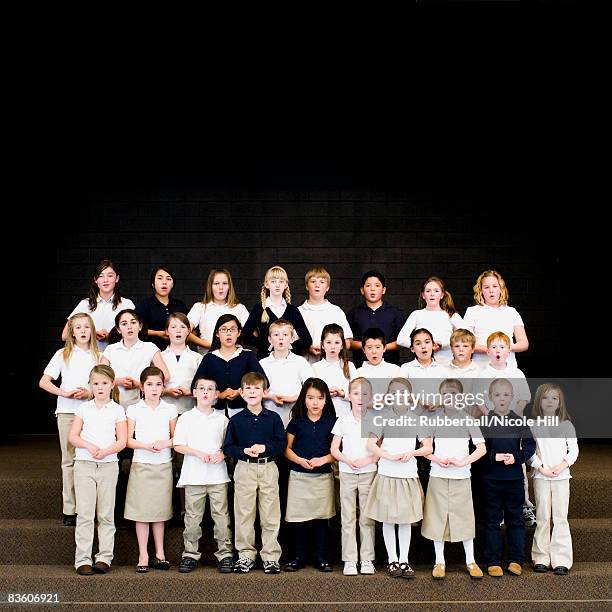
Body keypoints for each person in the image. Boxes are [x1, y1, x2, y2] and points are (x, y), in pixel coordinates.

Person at [364, 381, 433, 580]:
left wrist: (412, 452)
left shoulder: (416, 419)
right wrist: (386, 454)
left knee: (405, 519)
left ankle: (404, 559)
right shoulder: (382, 418)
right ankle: (392, 560)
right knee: (387, 518)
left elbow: (428, 447)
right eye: (394, 393)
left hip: (407, 474)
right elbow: (371, 444)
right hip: (387, 473)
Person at [39, 313, 101, 526]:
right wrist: (63, 393)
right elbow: (44, 382)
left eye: (86, 327)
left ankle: (89, 507)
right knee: (69, 460)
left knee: (90, 459)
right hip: (67, 411)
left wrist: (89, 394)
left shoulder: (99, 356)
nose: (83, 331)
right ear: (72, 332)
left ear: (92, 330)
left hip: (92, 413)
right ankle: (70, 509)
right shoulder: (62, 354)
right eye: (78, 327)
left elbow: (105, 386)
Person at [421, 379, 486, 579]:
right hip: (438, 475)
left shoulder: (468, 420)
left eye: (455, 395)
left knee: (465, 518)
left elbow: (481, 449)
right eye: (446, 395)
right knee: (437, 518)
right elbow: (426, 449)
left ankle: (470, 561)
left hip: (462, 476)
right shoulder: (433, 420)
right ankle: (439, 561)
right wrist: (437, 459)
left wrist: (463, 462)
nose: (451, 399)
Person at [222, 372, 286, 574]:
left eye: (257, 388)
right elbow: (228, 447)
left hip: (268, 467)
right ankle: (245, 555)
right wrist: (243, 451)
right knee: (244, 513)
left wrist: (265, 448)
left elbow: (281, 444)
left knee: (270, 514)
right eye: (248, 388)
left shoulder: (273, 418)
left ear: (264, 392)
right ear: (241, 392)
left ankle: (270, 556)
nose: (252, 391)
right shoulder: (236, 420)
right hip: (245, 467)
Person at [68, 364, 127, 575]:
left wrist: (107, 451)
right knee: (85, 514)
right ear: (90, 386)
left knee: (106, 514)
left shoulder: (118, 410)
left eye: (104, 383)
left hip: (108, 465)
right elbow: (73, 436)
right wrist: (89, 446)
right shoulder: (83, 408)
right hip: (84, 464)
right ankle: (82, 558)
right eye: (95, 384)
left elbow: (122, 440)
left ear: (112, 384)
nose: (100, 387)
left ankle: (104, 557)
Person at [174, 377, 234, 574]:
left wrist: (222, 454)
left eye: (210, 389)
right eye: (202, 388)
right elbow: (178, 445)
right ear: (194, 392)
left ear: (217, 395)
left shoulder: (222, 419)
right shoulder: (186, 418)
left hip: (217, 476)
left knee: (221, 516)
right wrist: (199, 453)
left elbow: (228, 445)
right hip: (194, 475)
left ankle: (225, 554)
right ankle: (190, 554)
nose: (206, 392)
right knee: (192, 517)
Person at [480, 378, 536, 577]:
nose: (502, 399)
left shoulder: (519, 421)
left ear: (512, 398)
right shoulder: (485, 422)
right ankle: (493, 561)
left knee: (515, 520)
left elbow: (530, 446)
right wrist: (494, 455)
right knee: (492, 521)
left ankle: (515, 560)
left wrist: (517, 457)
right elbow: (477, 449)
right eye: (497, 395)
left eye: (506, 395)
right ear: (490, 398)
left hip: (513, 480)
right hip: (491, 480)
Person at [124, 367, 177, 573]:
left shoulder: (170, 409)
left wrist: (164, 444)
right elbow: (128, 440)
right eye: (149, 385)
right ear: (142, 387)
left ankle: (160, 553)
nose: (154, 389)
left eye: (158, 384)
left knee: (159, 511)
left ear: (163, 387)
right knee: (141, 511)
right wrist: (145, 446)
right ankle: (143, 555)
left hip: (162, 464)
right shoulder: (134, 409)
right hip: (141, 464)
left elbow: (176, 437)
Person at [284, 378, 337, 572]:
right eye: (310, 398)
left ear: (326, 400)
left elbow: (338, 451)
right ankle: (297, 557)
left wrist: (323, 459)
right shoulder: (296, 421)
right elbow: (287, 449)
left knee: (322, 519)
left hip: (323, 476)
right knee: (298, 519)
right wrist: (298, 460)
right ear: (303, 399)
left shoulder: (332, 422)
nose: (315, 402)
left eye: (320, 398)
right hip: (299, 476)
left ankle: (321, 556)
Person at [330, 378, 379, 575]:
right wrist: (347, 460)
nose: (360, 398)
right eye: (356, 393)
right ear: (349, 396)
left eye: (365, 394)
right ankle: (350, 560)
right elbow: (334, 449)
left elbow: (377, 451)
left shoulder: (374, 420)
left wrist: (366, 462)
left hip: (368, 473)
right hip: (347, 473)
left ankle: (367, 559)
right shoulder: (342, 420)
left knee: (367, 518)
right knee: (348, 517)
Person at [530, 384, 579, 576]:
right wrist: (541, 467)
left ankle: (561, 559)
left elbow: (573, 449)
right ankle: (541, 557)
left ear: (560, 403)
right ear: (539, 402)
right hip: (541, 476)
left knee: (560, 517)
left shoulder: (566, 424)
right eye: (545, 398)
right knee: (542, 517)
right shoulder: (533, 425)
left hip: (561, 477)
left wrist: (562, 466)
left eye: (554, 399)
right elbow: (529, 451)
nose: (549, 402)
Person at [190, 314, 266, 417]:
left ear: (239, 333)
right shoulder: (209, 358)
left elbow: (264, 382)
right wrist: (219, 395)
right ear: (217, 333)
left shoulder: (248, 355)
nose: (228, 333)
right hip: (214, 413)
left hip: (245, 412)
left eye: (233, 329)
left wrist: (240, 391)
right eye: (224, 329)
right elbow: (195, 387)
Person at [101, 310, 169, 408]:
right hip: (114, 403)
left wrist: (140, 384)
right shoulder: (110, 349)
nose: (129, 327)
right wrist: (118, 381)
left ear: (140, 326)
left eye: (133, 322)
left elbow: (165, 375)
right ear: (118, 329)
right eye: (124, 324)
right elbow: (100, 375)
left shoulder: (150, 347)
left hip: (142, 403)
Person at [242, 265, 312, 359]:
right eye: (273, 281)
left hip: (288, 360)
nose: (277, 285)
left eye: (281, 281)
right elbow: (245, 335)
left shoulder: (293, 310)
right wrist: (265, 345)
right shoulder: (259, 308)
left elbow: (307, 339)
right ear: (267, 284)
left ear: (286, 285)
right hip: (265, 359)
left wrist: (289, 347)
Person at [62, 259, 135, 349]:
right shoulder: (84, 304)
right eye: (101, 276)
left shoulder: (127, 304)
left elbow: (136, 335)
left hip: (118, 358)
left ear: (117, 278)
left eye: (110, 276)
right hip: (90, 358)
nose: (105, 280)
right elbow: (65, 336)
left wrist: (111, 336)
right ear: (95, 280)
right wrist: (92, 333)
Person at [463, 270, 528, 367]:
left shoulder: (511, 312)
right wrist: (492, 350)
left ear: (501, 288)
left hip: (508, 368)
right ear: (481, 290)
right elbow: (467, 342)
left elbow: (524, 343)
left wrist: (506, 348)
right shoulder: (472, 311)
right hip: (481, 368)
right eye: (486, 287)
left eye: (495, 286)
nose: (491, 290)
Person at [397, 276, 464, 365]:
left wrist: (442, 343)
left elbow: (466, 336)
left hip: (447, 364)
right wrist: (423, 345)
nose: (432, 294)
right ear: (423, 295)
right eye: (428, 291)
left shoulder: (451, 315)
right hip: (422, 365)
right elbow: (401, 339)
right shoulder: (416, 314)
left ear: (442, 295)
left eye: (436, 291)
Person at [260, 319, 314, 427]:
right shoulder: (262, 363)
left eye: (285, 334)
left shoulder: (300, 362)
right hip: (269, 415)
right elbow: (255, 390)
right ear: (270, 339)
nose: (281, 338)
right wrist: (271, 397)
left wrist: (294, 398)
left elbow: (312, 386)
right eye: (276, 335)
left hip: (296, 415)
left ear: (292, 338)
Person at [347, 270, 406, 367]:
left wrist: (381, 347)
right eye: (368, 285)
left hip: (390, 365)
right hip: (361, 366)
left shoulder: (395, 313)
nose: (372, 289)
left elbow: (402, 341)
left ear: (383, 290)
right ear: (362, 290)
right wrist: (367, 346)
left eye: (377, 285)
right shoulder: (354, 313)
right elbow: (347, 342)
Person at [187, 269, 249, 355]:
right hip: (207, 358)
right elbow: (184, 332)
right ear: (210, 286)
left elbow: (251, 335)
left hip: (234, 359)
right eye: (216, 283)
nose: (221, 287)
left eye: (224, 283)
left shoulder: (239, 308)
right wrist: (210, 345)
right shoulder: (200, 307)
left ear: (229, 286)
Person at [298, 267, 353, 365]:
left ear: (327, 287)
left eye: (322, 282)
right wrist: (308, 347)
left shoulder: (336, 311)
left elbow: (347, 342)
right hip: (305, 364)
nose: (317, 285)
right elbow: (290, 341)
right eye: (313, 281)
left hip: (332, 365)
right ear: (307, 286)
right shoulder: (298, 311)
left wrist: (327, 348)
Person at [135, 266, 188, 351]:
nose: (164, 282)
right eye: (160, 278)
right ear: (153, 283)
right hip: (151, 352)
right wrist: (158, 333)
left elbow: (191, 329)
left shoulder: (180, 305)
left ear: (173, 284)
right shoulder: (144, 305)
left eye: (168, 279)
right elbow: (135, 328)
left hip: (178, 352)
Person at [161, 313, 202, 416]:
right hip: (163, 411)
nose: (178, 331)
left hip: (190, 411)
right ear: (167, 331)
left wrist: (190, 392)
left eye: (183, 327)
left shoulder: (197, 358)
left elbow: (203, 385)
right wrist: (166, 391)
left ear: (188, 331)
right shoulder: (158, 357)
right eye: (173, 327)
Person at [312, 324, 357, 417]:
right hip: (322, 417)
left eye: (337, 343)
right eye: (328, 342)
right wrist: (324, 393)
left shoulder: (349, 366)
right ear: (322, 345)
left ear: (342, 345)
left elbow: (358, 392)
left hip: (344, 417)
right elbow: (310, 394)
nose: (333, 347)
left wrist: (343, 394)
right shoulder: (315, 368)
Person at [356, 328, 401, 402]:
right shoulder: (358, 373)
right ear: (364, 350)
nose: (374, 351)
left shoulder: (395, 370)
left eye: (377, 347)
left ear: (384, 348)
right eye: (369, 348)